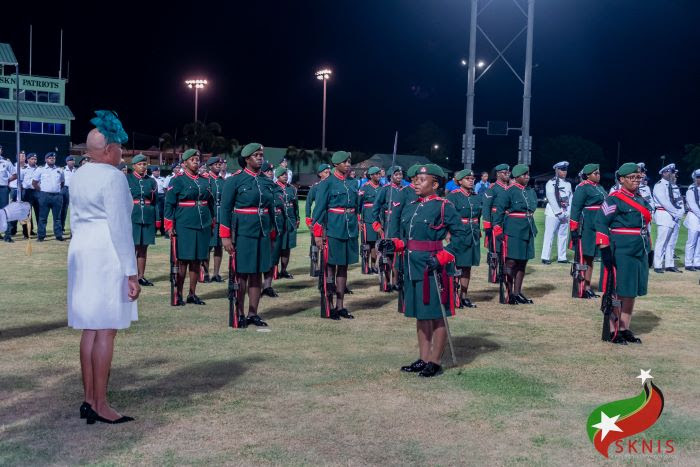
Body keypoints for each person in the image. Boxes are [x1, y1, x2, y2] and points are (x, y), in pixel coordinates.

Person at [67, 110, 140, 424]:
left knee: (90, 328)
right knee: (106, 330)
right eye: (120, 147)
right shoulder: (113, 177)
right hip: (106, 253)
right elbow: (120, 228)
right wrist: (131, 272)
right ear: (109, 149)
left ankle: (89, 400)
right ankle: (100, 404)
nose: (122, 153)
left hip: (82, 251)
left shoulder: (79, 174)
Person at [380, 163, 467, 377]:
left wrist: (443, 256)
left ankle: (435, 362)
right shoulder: (411, 206)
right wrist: (394, 244)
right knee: (421, 314)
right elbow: (409, 239)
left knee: (436, 314)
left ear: (435, 184)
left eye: (421, 180)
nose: (416, 183)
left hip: (433, 267)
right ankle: (423, 358)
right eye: (415, 179)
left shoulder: (444, 206)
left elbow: (462, 237)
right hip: (412, 266)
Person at [220, 143, 276, 327]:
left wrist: (273, 230)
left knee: (257, 273)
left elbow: (270, 208)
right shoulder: (234, 180)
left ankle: (253, 313)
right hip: (243, 233)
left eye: (261, 155)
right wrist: (225, 236)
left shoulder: (266, 181)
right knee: (242, 274)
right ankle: (239, 313)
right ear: (246, 159)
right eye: (256, 155)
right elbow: (225, 209)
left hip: (262, 232)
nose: (260, 158)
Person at [595, 163, 651, 345]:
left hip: (639, 248)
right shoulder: (614, 199)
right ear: (621, 179)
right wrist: (604, 249)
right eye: (632, 177)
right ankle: (613, 329)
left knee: (631, 290)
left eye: (638, 177)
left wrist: (649, 249)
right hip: (621, 249)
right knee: (618, 290)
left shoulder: (641, 199)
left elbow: (645, 226)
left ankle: (625, 328)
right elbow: (601, 222)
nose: (636, 180)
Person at [311, 150, 360, 319]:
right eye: (344, 162)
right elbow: (319, 210)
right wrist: (318, 234)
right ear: (336, 164)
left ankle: (340, 306)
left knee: (344, 268)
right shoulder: (327, 183)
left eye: (349, 162)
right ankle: (329, 306)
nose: (348, 164)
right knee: (330, 268)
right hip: (333, 229)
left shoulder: (353, 183)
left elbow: (356, 207)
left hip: (350, 229)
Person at [164, 149, 215, 305]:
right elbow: (169, 204)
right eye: (192, 159)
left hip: (203, 224)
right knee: (183, 260)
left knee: (197, 260)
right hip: (184, 224)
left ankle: (192, 294)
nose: (196, 161)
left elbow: (211, 203)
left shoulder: (205, 180)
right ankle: (178, 294)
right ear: (184, 162)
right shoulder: (177, 180)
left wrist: (212, 221)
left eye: (197, 159)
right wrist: (169, 225)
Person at [492, 164, 538, 305]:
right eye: (524, 175)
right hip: (513, 230)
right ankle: (509, 293)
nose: (527, 177)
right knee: (511, 262)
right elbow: (499, 212)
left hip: (528, 228)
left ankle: (517, 293)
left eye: (528, 174)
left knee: (523, 261)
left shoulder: (530, 191)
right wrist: (498, 230)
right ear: (517, 177)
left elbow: (532, 207)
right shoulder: (509, 191)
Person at [569, 163, 607, 298]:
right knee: (585, 256)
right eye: (595, 173)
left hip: (598, 224)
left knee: (591, 257)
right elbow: (575, 208)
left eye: (599, 173)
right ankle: (581, 287)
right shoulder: (582, 187)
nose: (598, 175)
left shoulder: (599, 187)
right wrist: (573, 228)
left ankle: (588, 286)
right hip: (586, 225)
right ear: (588, 175)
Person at [447, 169, 483, 307]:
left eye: (472, 178)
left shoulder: (476, 196)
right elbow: (447, 217)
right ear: (460, 181)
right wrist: (448, 234)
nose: (471, 180)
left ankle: (464, 296)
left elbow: (478, 215)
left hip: (473, 234)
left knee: (467, 266)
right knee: (457, 265)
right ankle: (453, 296)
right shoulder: (453, 196)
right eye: (468, 178)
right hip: (459, 233)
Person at [372, 165, 404, 291]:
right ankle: (386, 282)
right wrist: (377, 224)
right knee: (388, 253)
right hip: (389, 225)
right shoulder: (385, 189)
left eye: (400, 174)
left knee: (399, 253)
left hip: (401, 225)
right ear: (391, 176)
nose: (399, 177)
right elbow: (376, 207)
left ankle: (396, 281)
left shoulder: (404, 189)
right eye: (396, 174)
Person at [127, 154, 157, 286]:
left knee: (143, 248)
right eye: (140, 164)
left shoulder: (151, 181)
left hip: (148, 217)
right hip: (132, 216)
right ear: (134, 166)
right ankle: (130, 276)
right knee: (132, 248)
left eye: (144, 164)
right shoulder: (127, 179)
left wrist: (157, 219)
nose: (143, 166)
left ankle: (141, 276)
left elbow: (155, 201)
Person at [652, 163, 684, 273]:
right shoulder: (659, 185)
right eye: (672, 172)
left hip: (674, 216)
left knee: (671, 242)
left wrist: (680, 212)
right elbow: (664, 202)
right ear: (664, 173)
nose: (673, 174)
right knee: (661, 241)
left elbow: (679, 200)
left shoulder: (673, 186)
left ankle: (669, 264)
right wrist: (676, 213)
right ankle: (658, 265)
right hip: (664, 214)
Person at [541, 161, 572, 264]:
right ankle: (545, 257)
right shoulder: (551, 183)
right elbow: (551, 198)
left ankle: (562, 257)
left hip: (565, 213)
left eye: (565, 170)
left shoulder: (568, 184)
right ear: (557, 170)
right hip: (553, 214)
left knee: (563, 235)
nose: (564, 172)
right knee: (549, 235)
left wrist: (568, 212)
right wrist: (559, 212)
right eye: (562, 170)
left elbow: (570, 199)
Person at [202, 156, 225, 282]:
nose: (218, 165)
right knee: (207, 246)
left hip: (221, 217)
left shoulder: (222, 181)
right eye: (215, 164)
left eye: (219, 164)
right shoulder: (206, 180)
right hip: (210, 217)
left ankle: (216, 274)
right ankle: (205, 273)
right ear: (210, 166)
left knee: (218, 246)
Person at [262, 161, 283, 297]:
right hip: (262, 224)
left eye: (271, 171)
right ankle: (256, 285)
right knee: (261, 257)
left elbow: (280, 203)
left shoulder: (276, 187)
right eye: (267, 171)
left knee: (273, 257)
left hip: (275, 225)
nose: (270, 173)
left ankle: (267, 286)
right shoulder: (259, 186)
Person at [32, 152, 65, 241]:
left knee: (57, 218)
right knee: (42, 217)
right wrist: (41, 191)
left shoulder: (59, 169)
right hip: (44, 196)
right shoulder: (40, 169)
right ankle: (41, 236)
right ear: (46, 159)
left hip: (57, 196)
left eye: (53, 158)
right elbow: (34, 183)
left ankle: (58, 235)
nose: (52, 159)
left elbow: (62, 183)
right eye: (50, 158)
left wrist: (57, 190)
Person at [358, 166, 382, 274]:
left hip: (379, 219)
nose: (378, 175)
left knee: (376, 243)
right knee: (367, 244)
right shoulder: (365, 187)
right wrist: (359, 220)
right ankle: (365, 267)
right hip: (368, 219)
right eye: (376, 174)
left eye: (379, 173)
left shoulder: (382, 187)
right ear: (371, 176)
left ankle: (374, 266)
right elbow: (358, 205)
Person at [276, 167, 299, 278]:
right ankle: (274, 271)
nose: (285, 176)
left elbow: (295, 205)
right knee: (277, 246)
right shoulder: (273, 188)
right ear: (278, 176)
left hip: (290, 220)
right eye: (282, 175)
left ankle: (284, 270)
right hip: (278, 220)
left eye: (286, 174)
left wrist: (297, 218)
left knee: (287, 247)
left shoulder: (292, 189)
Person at [684, 169, 700, 271]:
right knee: (692, 241)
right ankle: (688, 263)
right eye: (698, 177)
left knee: (699, 241)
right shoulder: (691, 190)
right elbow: (693, 205)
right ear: (694, 178)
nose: (699, 179)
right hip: (694, 216)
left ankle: (697, 262)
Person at [20, 153, 40, 238]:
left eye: (35, 159)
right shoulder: (23, 169)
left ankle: (40, 232)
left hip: (37, 192)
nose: (34, 160)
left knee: (39, 213)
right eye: (32, 159)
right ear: (27, 160)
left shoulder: (39, 169)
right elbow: (20, 182)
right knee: (26, 214)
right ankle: (26, 233)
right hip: (27, 192)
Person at [1, 146, 18, 242]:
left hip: (3, 189)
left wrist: (6, 180)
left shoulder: (6, 162)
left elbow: (15, 174)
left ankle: (7, 235)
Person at [7, 151, 25, 238]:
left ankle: (27, 231)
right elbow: (7, 179)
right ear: (17, 157)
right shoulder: (12, 167)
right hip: (14, 190)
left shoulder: (27, 167)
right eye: (21, 156)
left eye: (24, 156)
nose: (23, 157)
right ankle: (12, 230)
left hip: (23, 191)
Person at [61, 155, 77, 236]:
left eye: (73, 160)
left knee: (74, 211)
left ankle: (73, 229)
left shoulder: (76, 170)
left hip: (74, 190)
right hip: (65, 189)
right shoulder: (62, 170)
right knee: (63, 210)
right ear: (67, 162)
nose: (73, 162)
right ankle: (61, 228)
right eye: (71, 160)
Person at [151, 166, 168, 237]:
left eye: (159, 171)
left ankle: (163, 230)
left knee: (162, 214)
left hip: (162, 196)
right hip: (154, 197)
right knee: (155, 214)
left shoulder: (163, 179)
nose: (158, 172)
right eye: (156, 171)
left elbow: (165, 188)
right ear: (153, 172)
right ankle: (154, 230)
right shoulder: (150, 179)